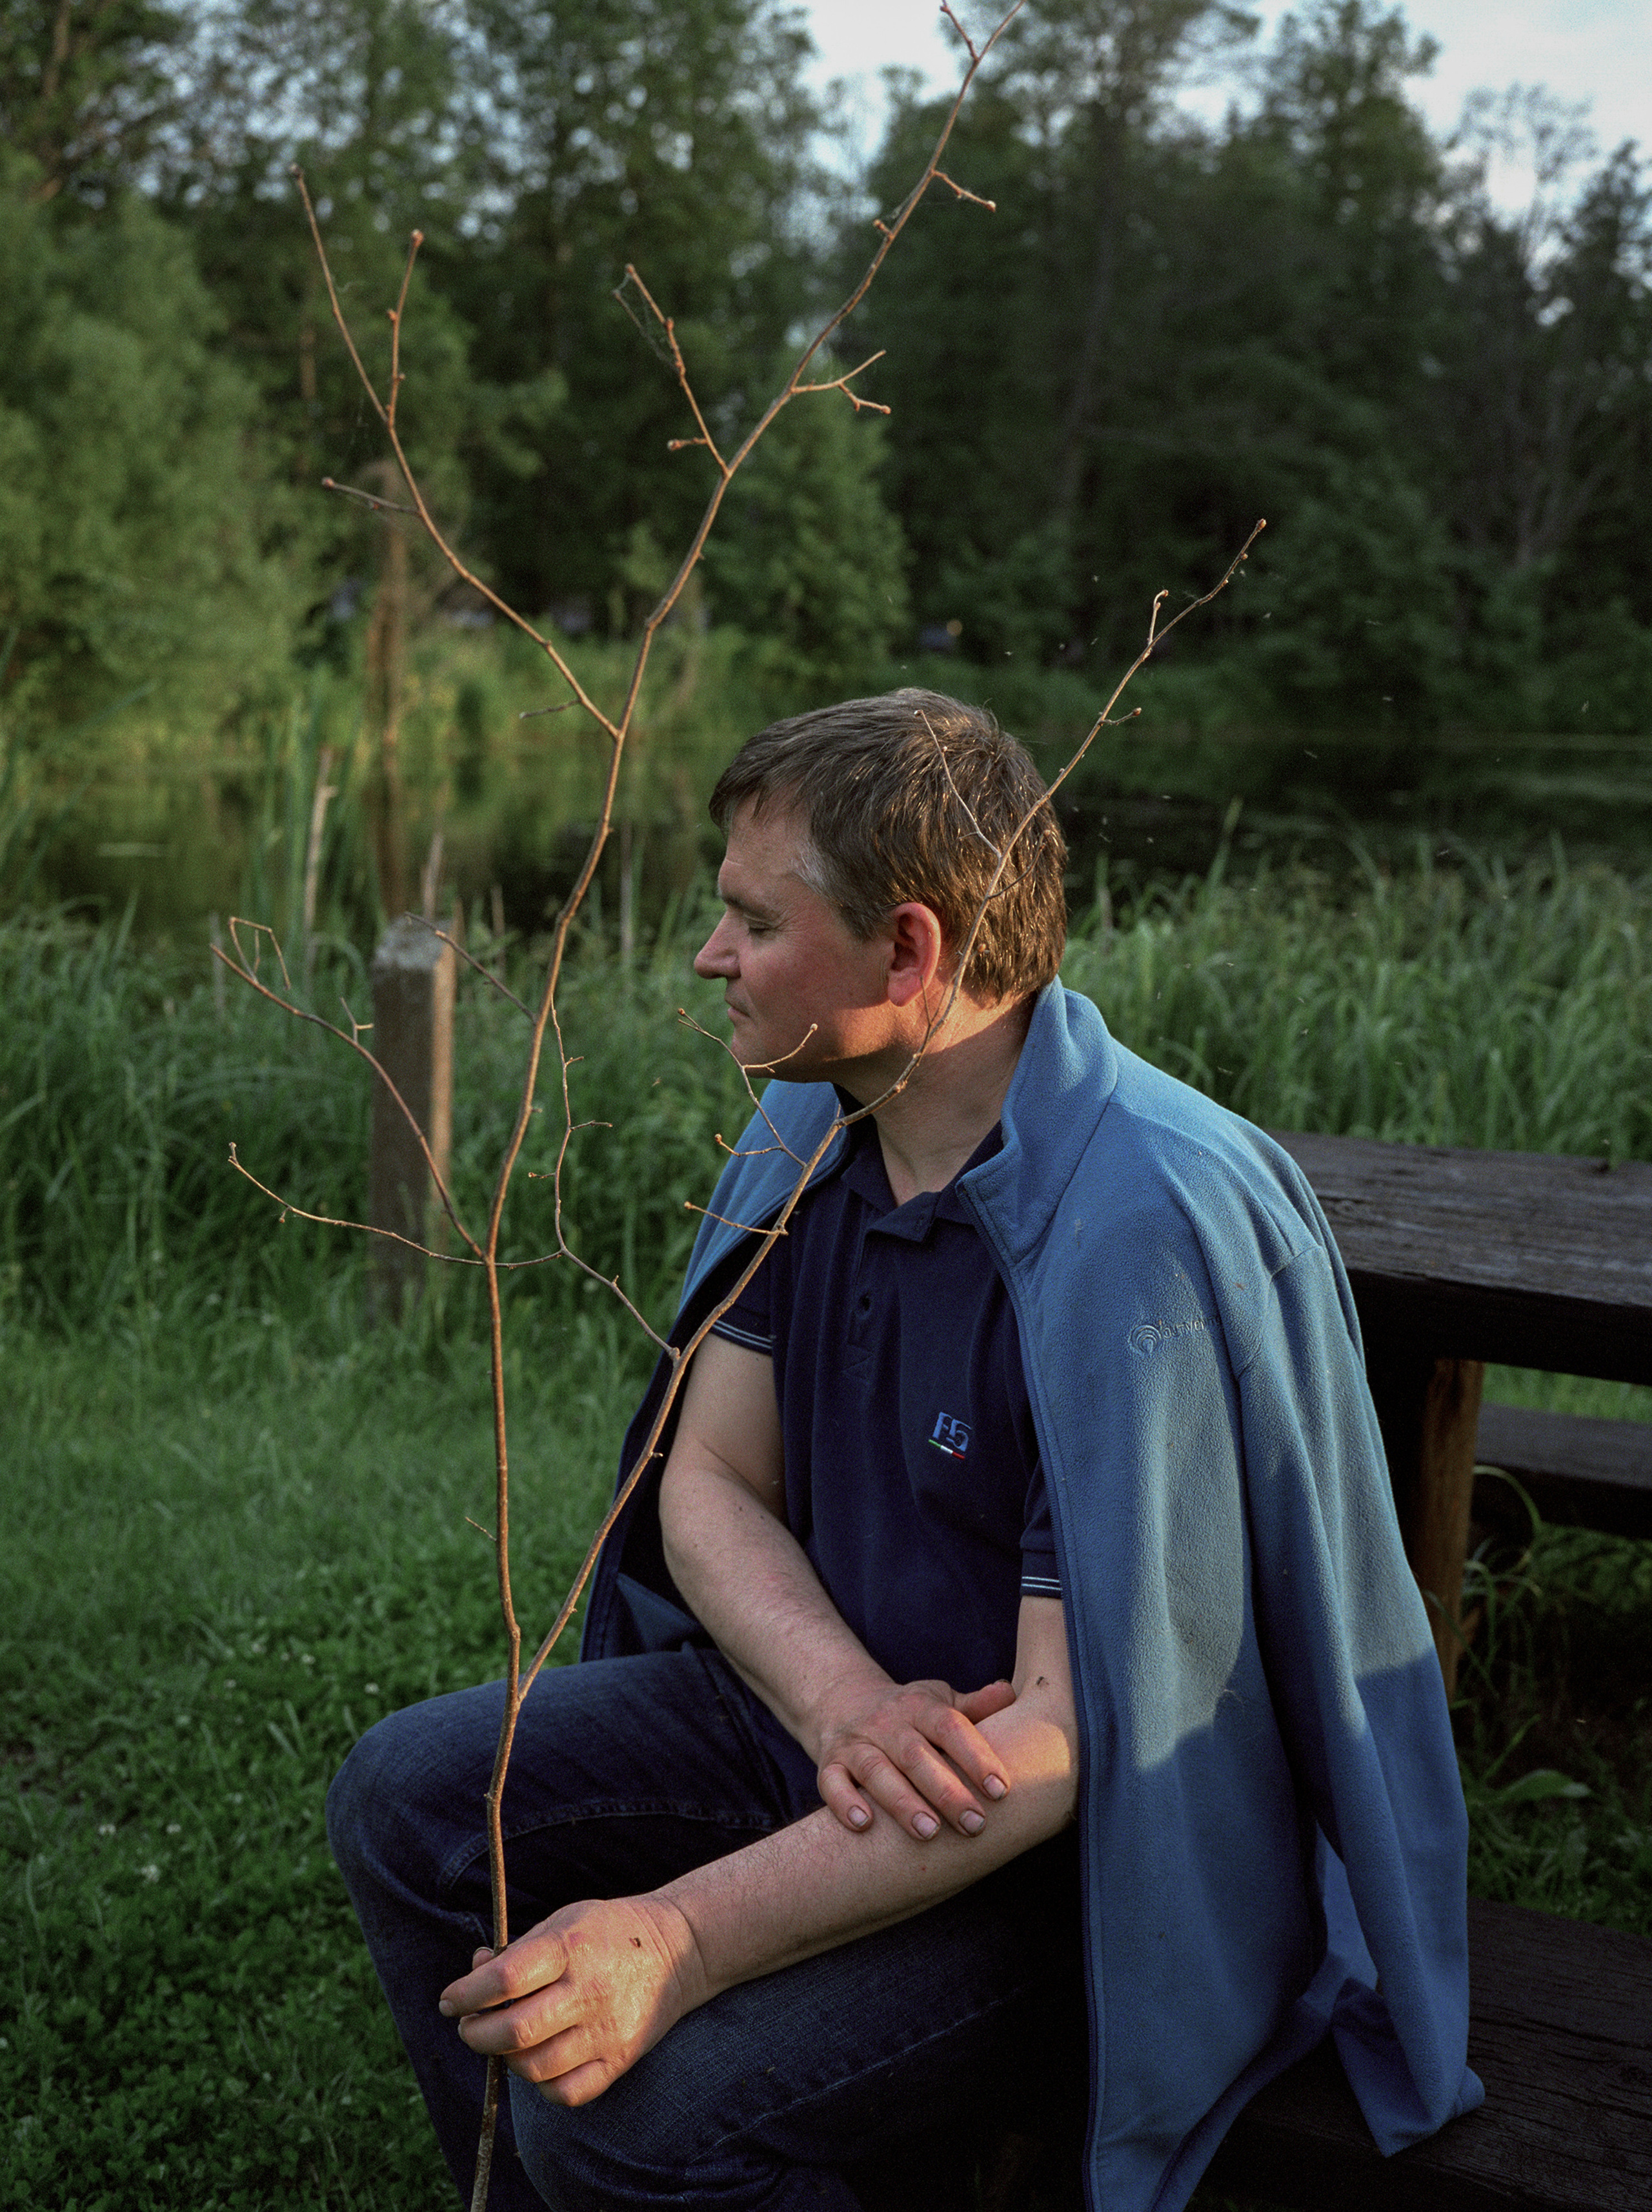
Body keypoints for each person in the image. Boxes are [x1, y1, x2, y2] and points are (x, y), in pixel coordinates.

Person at [328, 690, 1482, 2212]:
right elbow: (709, 1484)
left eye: (751, 919)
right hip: (834, 1729)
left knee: (623, 2120)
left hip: (1054, 1870)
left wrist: (676, 1937)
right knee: (406, 1796)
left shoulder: (1143, 1229)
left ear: (911, 951)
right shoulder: (808, 1124)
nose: (707, 956)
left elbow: (1064, 1743)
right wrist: (846, 1704)